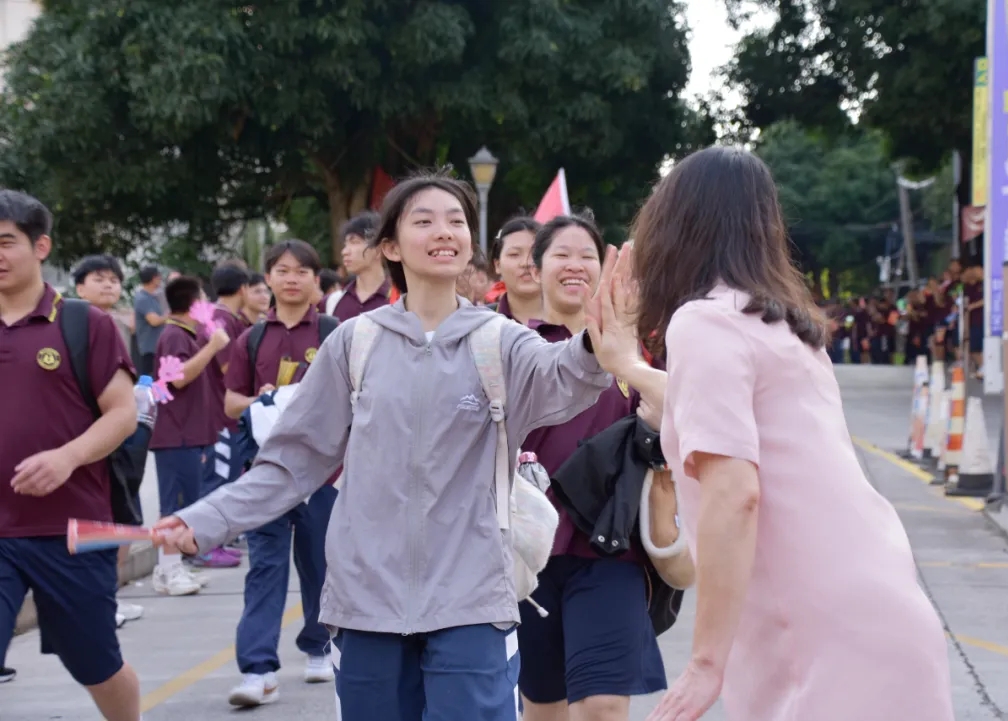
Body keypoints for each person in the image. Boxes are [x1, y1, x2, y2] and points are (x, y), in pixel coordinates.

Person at [154, 171, 640, 721]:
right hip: (366, 604)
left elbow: (565, 374)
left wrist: (598, 341)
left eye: (456, 221)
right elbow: (291, 463)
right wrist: (206, 519)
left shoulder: (500, 341)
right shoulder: (354, 343)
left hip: (472, 602)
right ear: (390, 246)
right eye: (424, 220)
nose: (445, 231)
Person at [633, 147, 953, 721]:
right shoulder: (785, 327)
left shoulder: (704, 322)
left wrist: (706, 663)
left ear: (674, 225)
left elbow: (735, 491)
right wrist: (622, 364)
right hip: (883, 612)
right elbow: (694, 406)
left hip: (817, 635)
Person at [516, 215, 668, 721]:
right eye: (561, 254)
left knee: (602, 706)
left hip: (610, 549)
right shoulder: (514, 347)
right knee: (544, 709)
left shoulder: (634, 352)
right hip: (530, 552)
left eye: (587, 255)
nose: (575, 265)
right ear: (536, 269)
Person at [0, 190, 142, 721]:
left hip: (74, 530)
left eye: (5, 242)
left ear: (41, 246)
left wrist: (66, 457)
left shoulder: (84, 324)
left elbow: (122, 414)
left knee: (95, 664)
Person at [220, 240, 340, 706]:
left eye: (302, 271)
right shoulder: (250, 339)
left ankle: (318, 645)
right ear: (267, 278)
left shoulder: (333, 333)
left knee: (320, 565)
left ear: (316, 280)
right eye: (283, 271)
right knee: (265, 568)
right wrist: (263, 399)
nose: (292, 279)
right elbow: (231, 402)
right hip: (266, 473)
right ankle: (257, 669)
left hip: (323, 475)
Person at [149, 276, 236, 597]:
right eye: (204, 299)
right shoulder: (174, 335)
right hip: (176, 435)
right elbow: (178, 378)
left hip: (189, 435)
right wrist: (212, 346)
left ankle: (174, 567)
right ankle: (168, 570)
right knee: (173, 507)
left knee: (186, 506)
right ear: (193, 303)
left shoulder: (186, 334)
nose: (209, 306)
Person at [73, 254, 147, 628]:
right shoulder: (73, 327)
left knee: (122, 521)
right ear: (79, 287)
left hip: (120, 440)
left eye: (113, 280)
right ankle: (99, 604)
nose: (108, 285)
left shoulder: (117, 325)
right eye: (98, 279)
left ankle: (109, 599)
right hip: (86, 444)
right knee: (102, 525)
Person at [206, 264, 252, 496]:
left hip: (228, 418)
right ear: (243, 288)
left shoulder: (230, 318)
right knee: (220, 488)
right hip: (220, 419)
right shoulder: (220, 319)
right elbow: (229, 369)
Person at [321, 211, 392, 320]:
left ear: (379, 248)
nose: (344, 252)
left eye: (354, 242)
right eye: (345, 244)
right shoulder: (332, 302)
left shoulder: (400, 299)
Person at [133, 265, 166, 377]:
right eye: (158, 276)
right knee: (148, 381)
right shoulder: (143, 298)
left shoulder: (152, 297)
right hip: (149, 349)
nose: (160, 279)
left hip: (156, 348)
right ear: (154, 278)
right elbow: (154, 321)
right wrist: (171, 315)